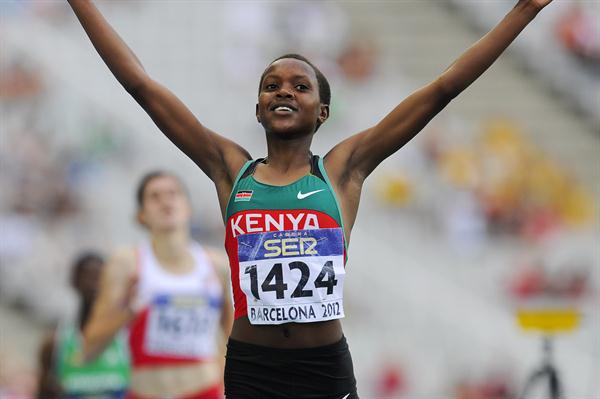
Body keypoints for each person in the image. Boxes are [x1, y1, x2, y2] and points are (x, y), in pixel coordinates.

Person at [67, 0, 554, 397]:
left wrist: (524, 11)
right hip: (252, 370)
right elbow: (141, 86)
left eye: (300, 87)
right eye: (271, 86)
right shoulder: (230, 170)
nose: (284, 92)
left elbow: (442, 89)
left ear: (322, 111)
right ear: (257, 107)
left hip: (324, 369)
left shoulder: (344, 170)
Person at [81, 171, 232, 399]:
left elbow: (234, 338)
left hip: (205, 391)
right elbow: (88, 349)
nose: (166, 201)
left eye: (173, 193)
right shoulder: (127, 264)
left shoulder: (216, 265)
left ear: (188, 208)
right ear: (141, 215)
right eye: (155, 196)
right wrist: (125, 314)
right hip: (147, 393)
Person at [37, 252, 130, 399]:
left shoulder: (127, 336)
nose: (93, 284)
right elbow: (43, 392)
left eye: (99, 277)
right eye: (88, 276)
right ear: (74, 281)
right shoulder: (56, 342)